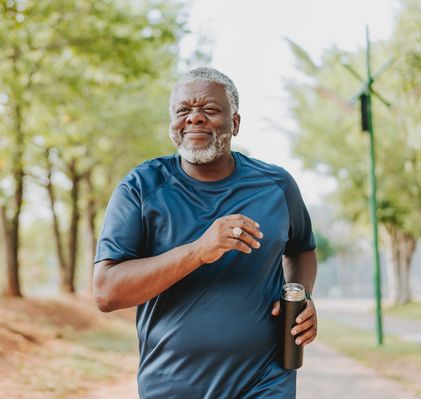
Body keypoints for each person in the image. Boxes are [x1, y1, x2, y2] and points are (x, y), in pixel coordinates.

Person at [93, 67, 317, 398]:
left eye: (209, 110)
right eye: (183, 110)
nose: (194, 118)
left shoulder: (276, 185)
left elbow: (301, 249)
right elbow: (106, 292)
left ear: (235, 123)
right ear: (172, 123)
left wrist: (300, 296)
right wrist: (198, 251)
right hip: (172, 385)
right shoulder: (141, 188)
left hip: (266, 381)